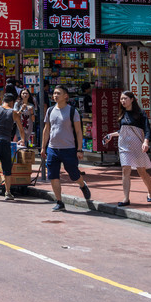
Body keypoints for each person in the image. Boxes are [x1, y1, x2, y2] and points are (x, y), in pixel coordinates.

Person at [41, 84, 91, 212]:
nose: (55, 95)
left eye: (58, 93)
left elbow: (79, 131)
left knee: (74, 174)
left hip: (69, 148)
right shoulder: (50, 110)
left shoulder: (72, 111)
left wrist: (80, 149)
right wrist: (43, 147)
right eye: (54, 93)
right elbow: (46, 130)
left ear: (66, 96)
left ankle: (82, 185)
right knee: (53, 176)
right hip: (52, 149)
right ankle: (59, 201)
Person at [105, 91, 151, 207]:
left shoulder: (140, 113)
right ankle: (126, 198)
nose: (123, 101)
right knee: (125, 169)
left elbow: (147, 130)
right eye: (121, 99)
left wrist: (146, 142)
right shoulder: (122, 114)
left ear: (132, 99)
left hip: (137, 145)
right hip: (124, 146)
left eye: (125, 98)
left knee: (142, 171)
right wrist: (111, 135)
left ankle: (150, 191)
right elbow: (122, 131)